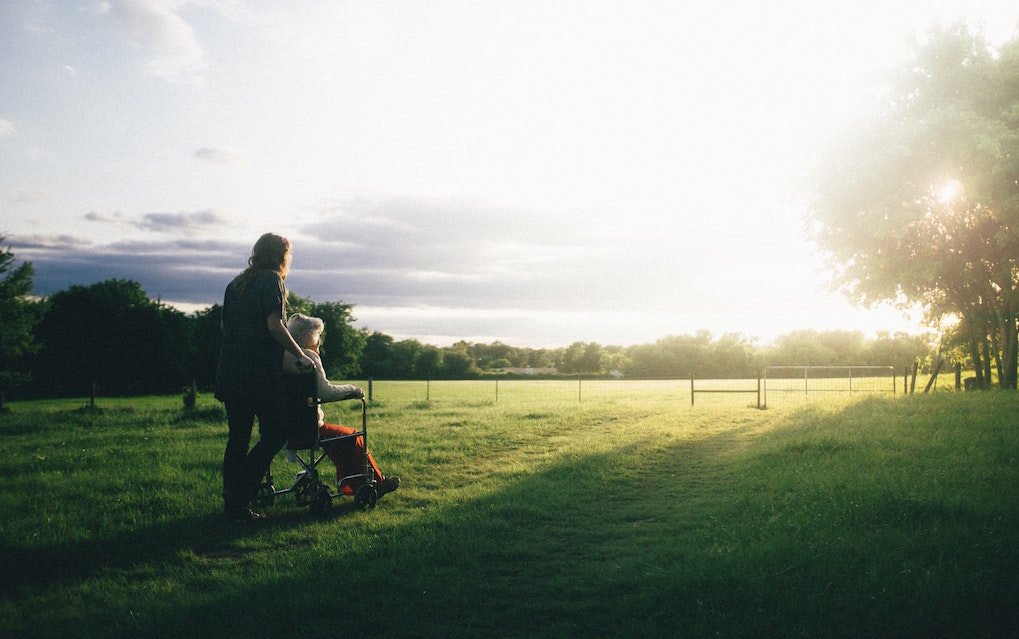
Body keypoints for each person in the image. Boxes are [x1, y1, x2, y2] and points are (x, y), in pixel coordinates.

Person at [214, 233, 316, 521]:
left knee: (238, 438)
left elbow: (225, 326)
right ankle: (239, 493)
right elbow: (275, 325)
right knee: (275, 434)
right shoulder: (272, 280)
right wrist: (300, 354)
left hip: (230, 371)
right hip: (257, 374)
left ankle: (232, 503)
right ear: (281, 255)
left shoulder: (234, 284)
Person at [283, 313, 400, 498]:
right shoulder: (309, 357)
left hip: (284, 429)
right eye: (317, 336)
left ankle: (354, 485)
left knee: (339, 439)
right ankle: (377, 482)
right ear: (308, 337)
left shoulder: (283, 357)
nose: (320, 342)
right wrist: (353, 390)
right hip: (308, 429)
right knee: (352, 436)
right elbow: (326, 392)